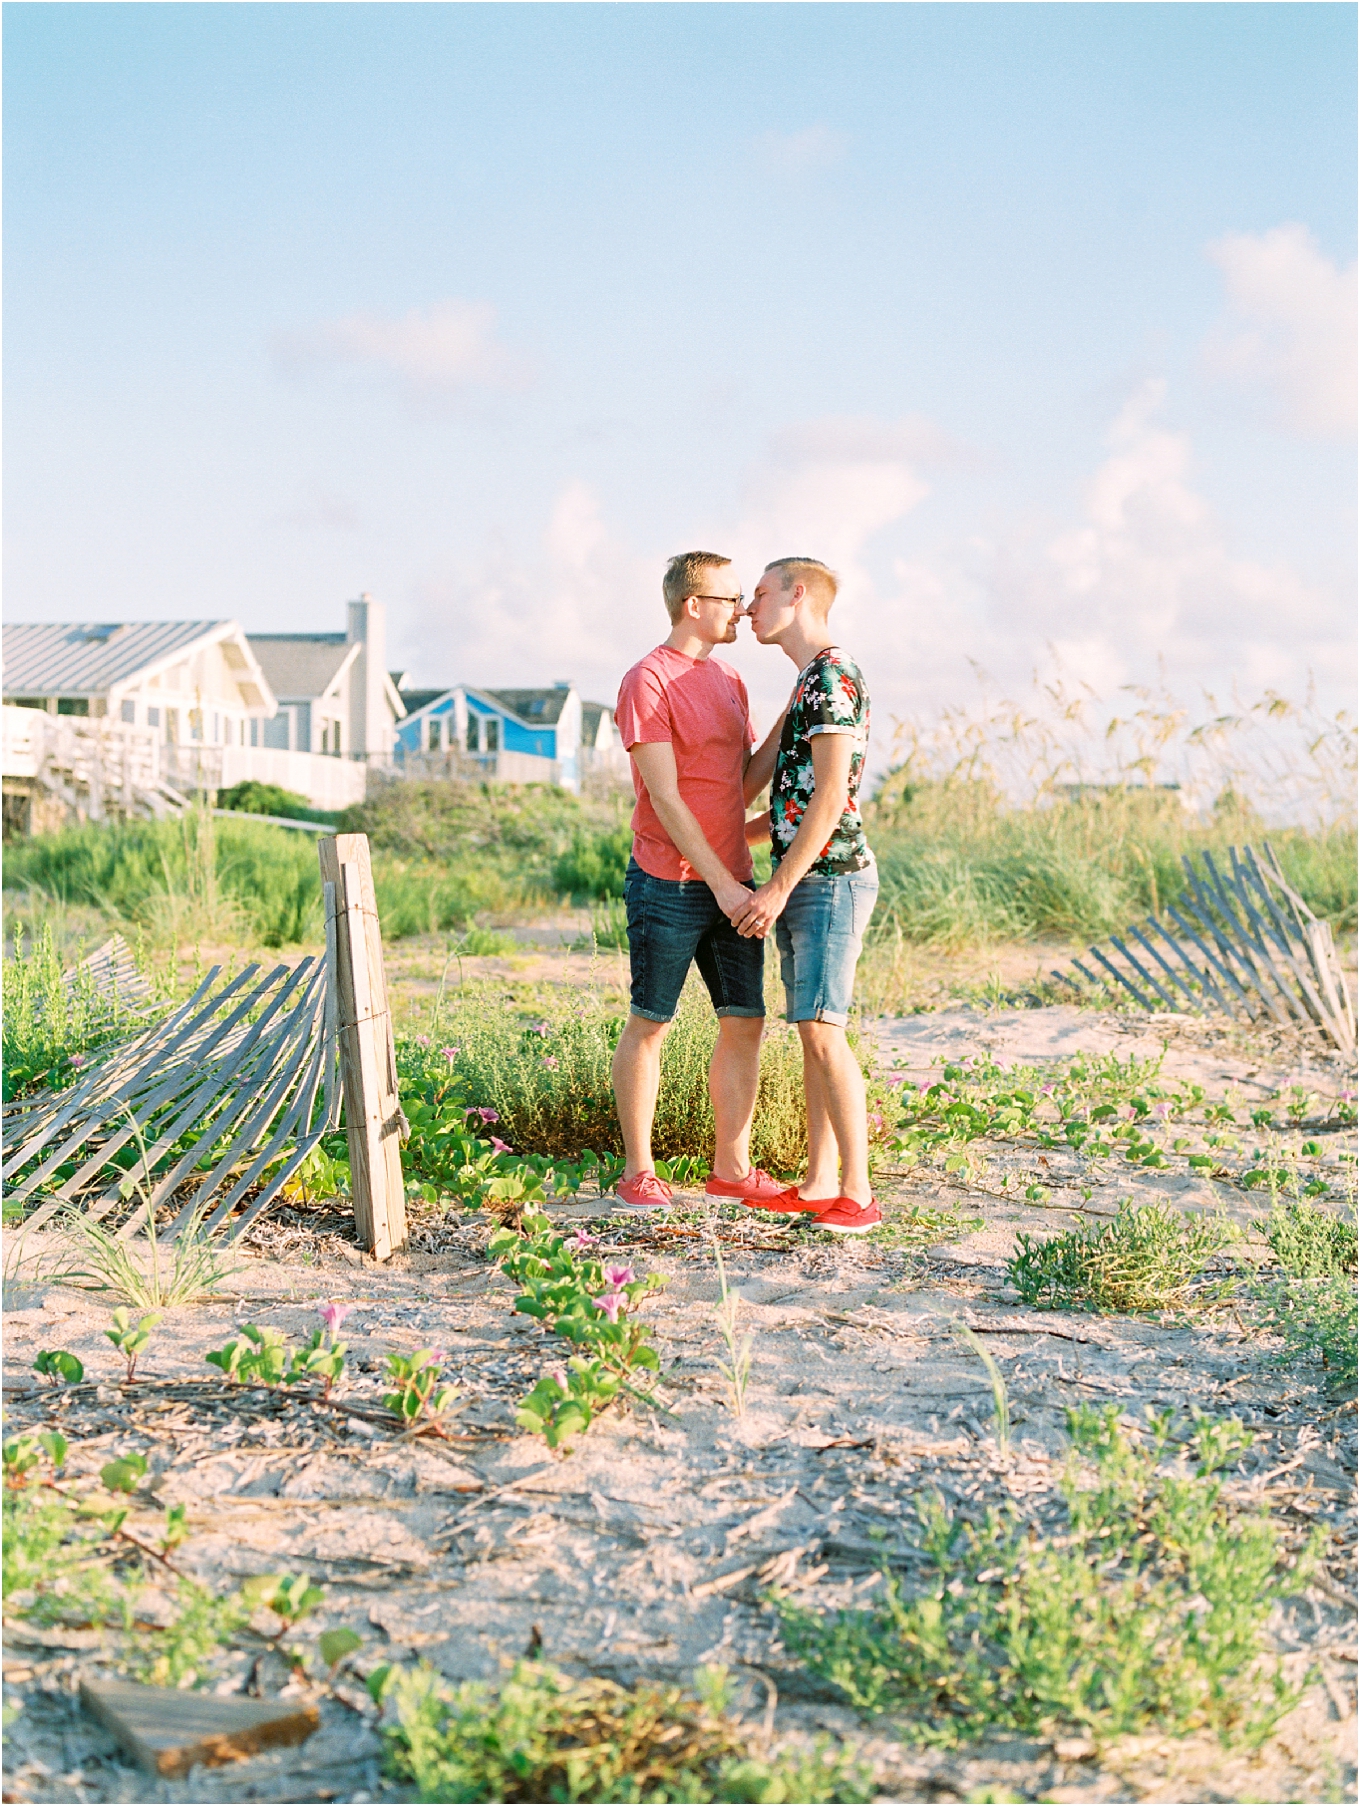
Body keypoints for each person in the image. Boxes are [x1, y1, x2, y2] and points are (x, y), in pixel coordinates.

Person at [610, 552, 791, 1211]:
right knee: (650, 1023)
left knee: (745, 1023)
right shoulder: (646, 681)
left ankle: (731, 1170)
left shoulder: (731, 681)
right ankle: (638, 1172)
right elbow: (665, 797)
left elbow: (735, 788)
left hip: (732, 885)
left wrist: (789, 718)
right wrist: (720, 883)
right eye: (730, 597)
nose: (742, 608)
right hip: (668, 882)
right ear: (694, 605)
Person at [734, 556, 881, 1235]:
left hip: (829, 879)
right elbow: (786, 795)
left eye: (759, 595)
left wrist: (775, 887)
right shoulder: (807, 682)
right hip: (809, 877)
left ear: (798, 595)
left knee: (824, 1031)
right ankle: (822, 1181)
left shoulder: (829, 677)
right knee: (812, 1033)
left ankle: (859, 1192)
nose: (746, 609)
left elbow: (830, 801)